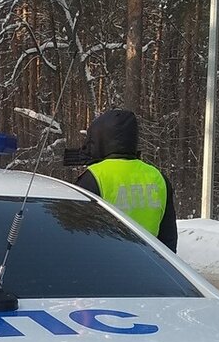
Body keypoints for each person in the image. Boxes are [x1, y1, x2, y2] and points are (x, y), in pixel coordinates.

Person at [74, 108, 178, 252]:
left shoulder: (92, 178)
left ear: (99, 139)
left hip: (107, 266)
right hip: (150, 266)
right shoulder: (158, 177)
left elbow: (78, 238)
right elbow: (169, 240)